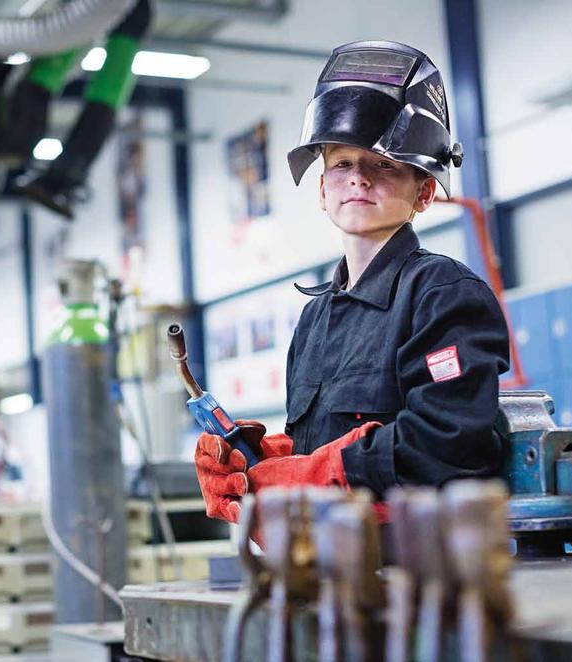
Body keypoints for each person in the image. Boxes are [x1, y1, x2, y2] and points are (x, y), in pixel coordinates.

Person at [195, 40, 511, 524]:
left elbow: (449, 440)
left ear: (424, 192)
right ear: (322, 190)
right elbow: (317, 445)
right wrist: (264, 460)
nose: (359, 179)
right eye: (342, 163)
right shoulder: (316, 316)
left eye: (384, 165)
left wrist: (315, 473)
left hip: (425, 562)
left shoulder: (442, 294)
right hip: (329, 559)